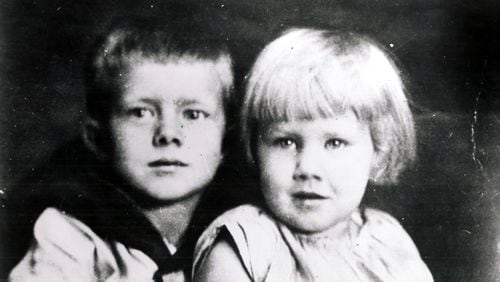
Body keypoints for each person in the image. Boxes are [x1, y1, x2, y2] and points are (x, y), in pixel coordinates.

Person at [5, 12, 238, 281]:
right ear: (98, 138)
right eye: (141, 112)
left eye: (193, 114)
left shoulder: (244, 230)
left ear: (226, 141)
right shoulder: (67, 236)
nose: (168, 134)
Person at [193, 28, 434, 281]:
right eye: (285, 141)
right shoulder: (244, 246)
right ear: (255, 148)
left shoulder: (387, 241)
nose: (307, 167)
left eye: (335, 143)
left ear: (379, 149)